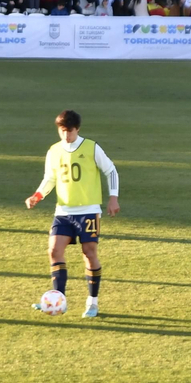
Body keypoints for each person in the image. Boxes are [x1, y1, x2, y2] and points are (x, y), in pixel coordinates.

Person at [24, 109, 120, 318]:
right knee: (54, 251)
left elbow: (111, 170)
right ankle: (59, 301)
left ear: (77, 129)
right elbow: (49, 178)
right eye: (62, 130)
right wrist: (37, 196)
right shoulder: (54, 151)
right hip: (64, 211)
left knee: (89, 252)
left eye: (70, 131)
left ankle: (92, 303)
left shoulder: (91, 147)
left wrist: (113, 197)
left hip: (88, 211)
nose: (66, 135)